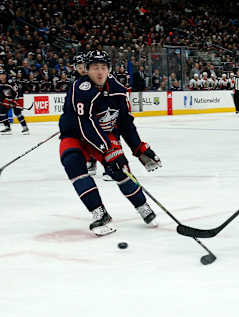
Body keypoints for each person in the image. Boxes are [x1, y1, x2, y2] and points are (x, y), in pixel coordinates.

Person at [58, 50, 162, 236]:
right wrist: (107, 149)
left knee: (120, 169)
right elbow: (86, 124)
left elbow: (125, 123)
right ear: (87, 70)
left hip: (104, 134)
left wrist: (139, 148)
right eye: (95, 68)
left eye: (103, 68)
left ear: (109, 70)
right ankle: (99, 213)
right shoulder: (80, 88)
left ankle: (142, 205)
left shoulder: (118, 90)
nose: (99, 72)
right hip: (76, 134)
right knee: (72, 164)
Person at [0, 69, 29, 134]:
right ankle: (7, 127)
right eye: (0, 75)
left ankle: (25, 127)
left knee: (17, 112)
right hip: (8, 99)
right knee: (2, 111)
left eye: (3, 75)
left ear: (5, 75)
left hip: (17, 98)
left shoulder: (10, 82)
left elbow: (17, 92)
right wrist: (2, 100)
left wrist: (14, 101)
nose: (1, 76)